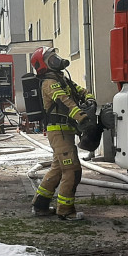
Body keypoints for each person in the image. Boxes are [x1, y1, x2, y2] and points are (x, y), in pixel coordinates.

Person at [29, 46, 98, 220]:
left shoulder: (61, 79)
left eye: (55, 57)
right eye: (51, 58)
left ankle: (40, 205)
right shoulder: (49, 83)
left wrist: (89, 97)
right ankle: (66, 211)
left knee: (58, 169)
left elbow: (78, 91)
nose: (57, 60)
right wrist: (82, 117)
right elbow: (64, 101)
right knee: (72, 170)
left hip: (65, 130)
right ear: (44, 65)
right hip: (58, 131)